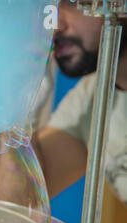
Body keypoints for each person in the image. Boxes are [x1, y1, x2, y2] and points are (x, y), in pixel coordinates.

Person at [36, 0, 127, 204]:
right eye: (47, 9)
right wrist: (21, 106)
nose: (55, 25)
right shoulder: (90, 97)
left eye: (73, 2)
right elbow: (23, 200)